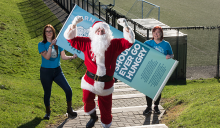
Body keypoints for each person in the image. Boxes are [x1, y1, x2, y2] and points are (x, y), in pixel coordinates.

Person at [63, 16, 135, 128]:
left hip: (106, 83)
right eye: (98, 30)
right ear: (93, 32)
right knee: (86, 100)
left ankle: (106, 125)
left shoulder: (114, 44)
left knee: (106, 108)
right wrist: (73, 24)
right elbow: (70, 39)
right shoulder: (87, 43)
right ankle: (93, 116)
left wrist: (126, 27)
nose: (100, 32)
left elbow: (129, 42)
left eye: (102, 30)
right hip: (89, 81)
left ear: (107, 33)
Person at [38, 24, 78, 120]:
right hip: (45, 72)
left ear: (53, 32)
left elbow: (63, 57)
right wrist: (51, 45)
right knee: (47, 93)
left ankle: (69, 109)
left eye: (50, 31)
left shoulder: (58, 43)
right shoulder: (41, 44)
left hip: (57, 71)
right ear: (44, 33)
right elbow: (47, 57)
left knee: (68, 90)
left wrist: (72, 57)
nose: (49, 33)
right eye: (47, 31)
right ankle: (48, 112)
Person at [143, 26, 174, 115]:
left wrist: (169, 57)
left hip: (160, 69)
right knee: (148, 89)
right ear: (152, 33)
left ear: (161, 34)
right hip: (149, 68)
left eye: (158, 32)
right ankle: (149, 107)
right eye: (155, 32)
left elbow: (172, 55)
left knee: (158, 89)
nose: (156, 34)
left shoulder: (166, 44)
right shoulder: (147, 43)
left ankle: (156, 106)